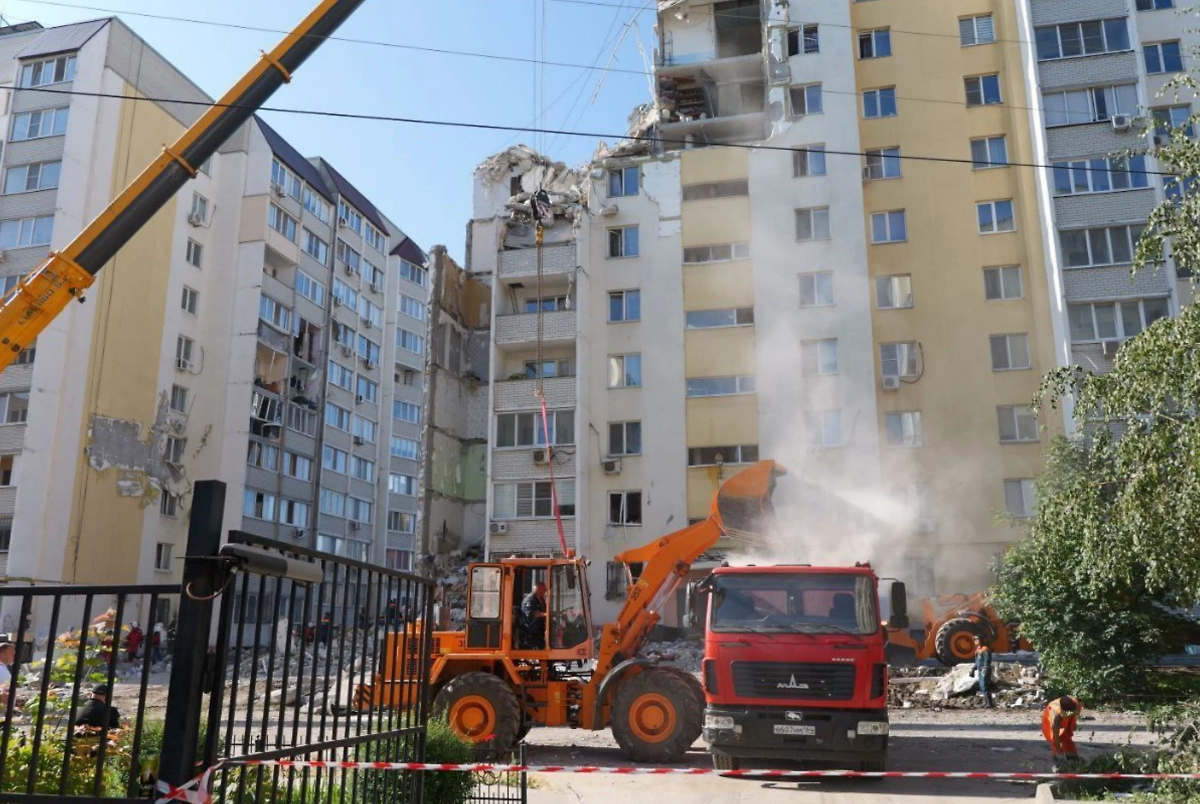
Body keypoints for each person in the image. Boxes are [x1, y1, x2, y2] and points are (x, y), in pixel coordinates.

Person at [1042, 695, 1083, 770]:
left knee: (1067, 739)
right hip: (1049, 723)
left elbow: (1075, 713)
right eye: (1069, 714)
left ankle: (1072, 758)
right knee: (1055, 741)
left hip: (1064, 717)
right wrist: (1059, 750)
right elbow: (1055, 734)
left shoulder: (1076, 704)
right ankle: (1058, 764)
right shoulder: (1055, 714)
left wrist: (1073, 723)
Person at [520, 582, 548, 649]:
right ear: (539, 589)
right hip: (531, 629)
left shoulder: (541, 599)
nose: (545, 591)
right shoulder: (529, 600)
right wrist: (545, 614)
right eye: (544, 589)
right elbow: (531, 614)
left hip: (540, 627)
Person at [971, 635, 994, 708]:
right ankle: (986, 702)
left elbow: (987, 660)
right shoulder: (978, 650)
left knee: (985, 686)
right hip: (980, 670)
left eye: (977, 640)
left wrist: (985, 668)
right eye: (974, 640)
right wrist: (973, 669)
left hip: (984, 670)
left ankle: (989, 703)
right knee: (981, 686)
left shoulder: (985, 649)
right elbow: (977, 661)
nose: (975, 641)